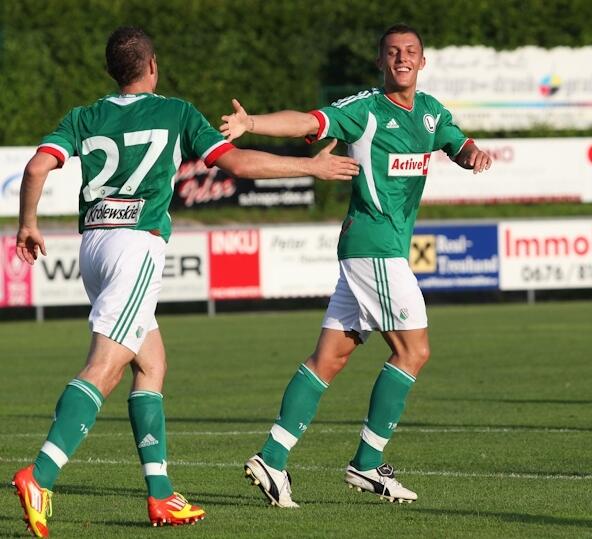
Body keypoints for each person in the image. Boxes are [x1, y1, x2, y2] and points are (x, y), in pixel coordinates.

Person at [12, 26, 359, 537]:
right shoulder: (175, 112)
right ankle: (39, 475)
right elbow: (238, 162)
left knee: (150, 362)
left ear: (112, 70)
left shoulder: (84, 116)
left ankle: (160, 496)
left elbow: (38, 167)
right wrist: (309, 165)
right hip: (136, 247)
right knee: (104, 366)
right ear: (151, 65)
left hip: (94, 248)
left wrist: (28, 224)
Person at [220, 23, 491, 507]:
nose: (402, 58)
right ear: (380, 62)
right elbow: (307, 122)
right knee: (414, 351)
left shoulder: (431, 113)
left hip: (375, 250)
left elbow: (459, 143)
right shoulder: (364, 109)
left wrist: (473, 155)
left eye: (410, 52)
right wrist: (252, 124)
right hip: (374, 247)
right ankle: (366, 464)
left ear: (422, 62)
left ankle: (272, 457)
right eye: (392, 52)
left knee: (330, 358)